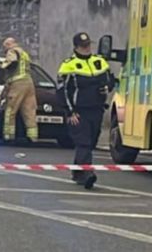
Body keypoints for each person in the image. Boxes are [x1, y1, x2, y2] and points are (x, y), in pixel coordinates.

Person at [57, 32, 116, 190]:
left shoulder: (99, 61)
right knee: (83, 142)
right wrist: (69, 112)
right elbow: (63, 91)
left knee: (91, 142)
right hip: (79, 111)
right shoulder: (68, 65)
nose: (87, 48)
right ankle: (87, 174)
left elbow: (111, 80)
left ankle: (77, 172)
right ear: (76, 47)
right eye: (84, 46)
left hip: (96, 110)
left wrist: (107, 87)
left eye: (89, 45)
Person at [0, 37, 38, 145]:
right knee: (29, 111)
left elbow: (12, 61)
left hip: (18, 83)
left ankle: (8, 136)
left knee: (10, 110)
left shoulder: (12, 51)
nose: (4, 49)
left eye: (5, 46)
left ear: (9, 44)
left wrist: (1, 66)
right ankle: (32, 137)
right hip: (29, 83)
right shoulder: (24, 53)